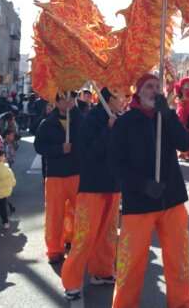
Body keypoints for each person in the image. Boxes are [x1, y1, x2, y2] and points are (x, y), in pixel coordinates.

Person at [109, 74, 189, 308]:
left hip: (172, 200)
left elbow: (186, 144)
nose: (154, 90)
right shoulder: (124, 123)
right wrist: (143, 184)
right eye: (149, 86)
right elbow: (115, 165)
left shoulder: (166, 117)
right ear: (137, 92)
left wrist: (169, 116)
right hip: (139, 203)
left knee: (179, 261)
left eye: (158, 86)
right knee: (131, 264)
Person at [62, 87, 123, 301]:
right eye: (120, 95)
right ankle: (71, 282)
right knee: (84, 236)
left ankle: (102, 271)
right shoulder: (91, 120)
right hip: (93, 187)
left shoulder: (119, 118)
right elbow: (88, 151)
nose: (124, 99)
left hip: (113, 186)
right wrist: (109, 130)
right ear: (110, 98)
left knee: (108, 235)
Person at [33, 92, 80, 265]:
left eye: (72, 98)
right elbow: (39, 147)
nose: (69, 101)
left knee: (79, 213)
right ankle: (55, 250)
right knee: (55, 215)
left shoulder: (79, 120)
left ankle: (77, 243)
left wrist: (75, 112)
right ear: (57, 102)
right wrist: (60, 149)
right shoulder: (47, 124)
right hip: (55, 175)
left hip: (77, 173)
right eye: (65, 98)